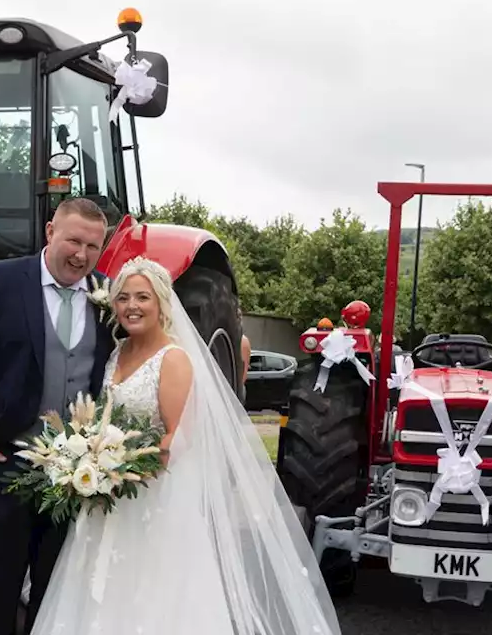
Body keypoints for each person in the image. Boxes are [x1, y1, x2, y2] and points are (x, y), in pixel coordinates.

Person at [28, 256, 343, 635]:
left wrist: (118, 471)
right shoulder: (117, 353)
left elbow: (179, 435)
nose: (132, 306)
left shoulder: (174, 359)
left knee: (155, 594)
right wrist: (92, 462)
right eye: (123, 297)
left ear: (161, 302)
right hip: (107, 497)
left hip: (153, 498)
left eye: (142, 297)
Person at [0, 197, 117, 635]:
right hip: (7, 464)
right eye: (74, 240)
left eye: (93, 247)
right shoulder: (0, 280)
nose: (81, 255)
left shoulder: (107, 293)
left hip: (77, 476)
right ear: (50, 231)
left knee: (57, 592)